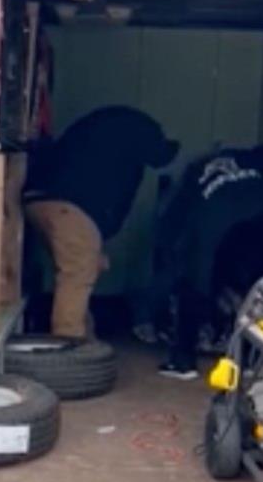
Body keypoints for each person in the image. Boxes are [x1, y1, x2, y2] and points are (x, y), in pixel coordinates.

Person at [23, 106, 179, 338]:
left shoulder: (105, 130)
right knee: (76, 278)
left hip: (36, 199)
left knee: (78, 275)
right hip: (71, 207)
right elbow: (114, 200)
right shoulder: (138, 135)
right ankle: (69, 353)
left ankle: (85, 342)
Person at [150, 144, 263, 379]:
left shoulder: (197, 169)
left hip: (215, 223)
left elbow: (174, 223)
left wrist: (173, 262)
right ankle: (257, 361)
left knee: (193, 282)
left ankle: (183, 361)